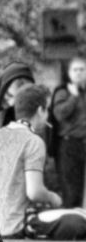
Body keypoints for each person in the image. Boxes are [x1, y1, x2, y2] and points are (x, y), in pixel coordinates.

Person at [0, 84, 86, 240]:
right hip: (15, 227)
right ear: (40, 110)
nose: (48, 116)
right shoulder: (33, 141)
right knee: (79, 219)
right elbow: (34, 192)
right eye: (47, 110)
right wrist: (53, 198)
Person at [50, 56, 86, 208]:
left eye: (82, 69)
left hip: (84, 144)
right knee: (71, 192)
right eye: (75, 70)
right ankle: (72, 229)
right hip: (68, 145)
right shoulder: (62, 92)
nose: (78, 73)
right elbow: (59, 114)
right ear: (69, 73)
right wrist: (74, 97)